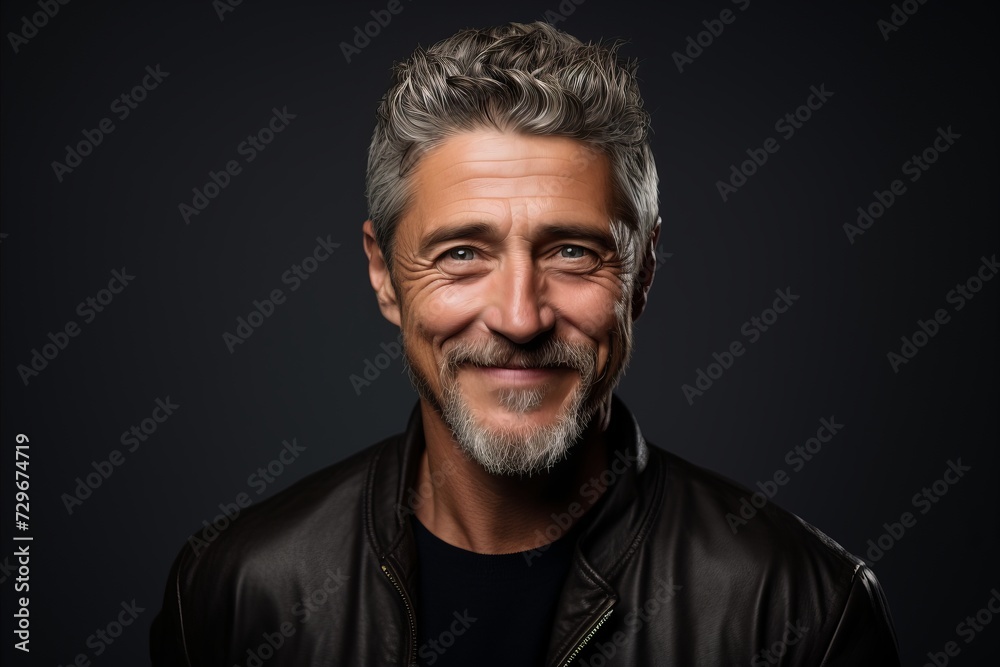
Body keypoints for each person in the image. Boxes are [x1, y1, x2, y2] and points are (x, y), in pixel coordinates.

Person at [150, 21, 901, 666]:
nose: (519, 316)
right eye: (462, 253)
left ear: (641, 272)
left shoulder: (802, 612)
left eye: (572, 251)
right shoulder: (236, 589)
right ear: (384, 274)